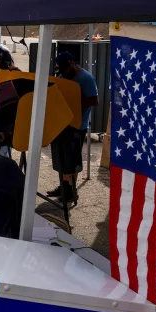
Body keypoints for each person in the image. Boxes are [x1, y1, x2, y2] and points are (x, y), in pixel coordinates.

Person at [47, 51, 99, 204]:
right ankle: (63, 187)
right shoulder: (64, 76)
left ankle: (71, 191)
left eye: (64, 68)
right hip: (62, 123)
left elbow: (94, 101)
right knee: (61, 159)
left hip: (77, 125)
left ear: (72, 64)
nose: (62, 72)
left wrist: (74, 101)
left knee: (72, 160)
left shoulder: (86, 78)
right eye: (60, 69)